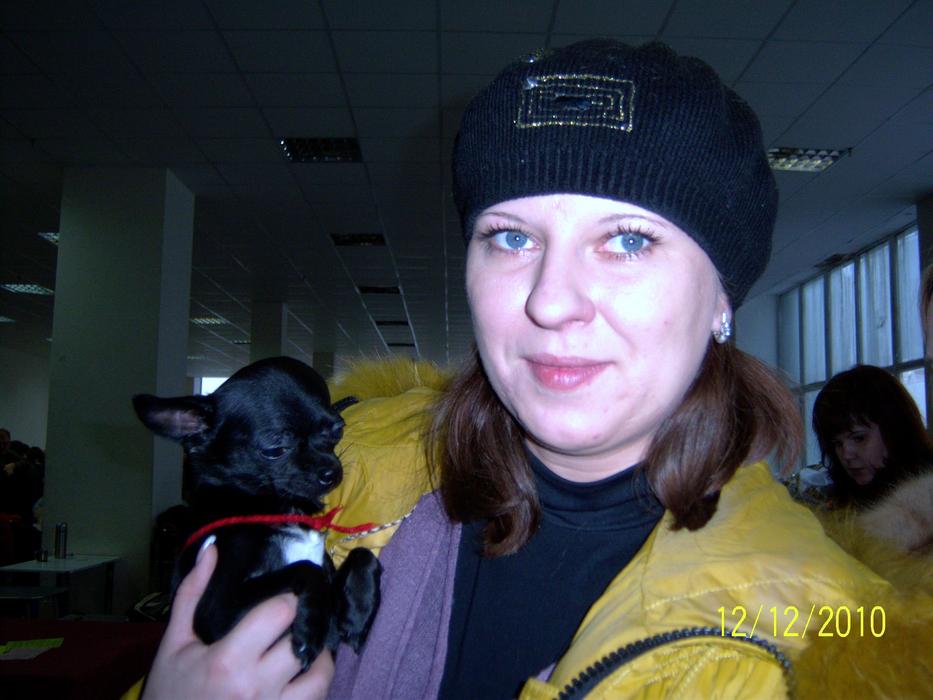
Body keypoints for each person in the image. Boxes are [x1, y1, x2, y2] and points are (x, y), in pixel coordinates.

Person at [136, 41, 930, 699]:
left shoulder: (839, 634)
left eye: (627, 240)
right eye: (511, 238)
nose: (551, 301)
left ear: (723, 295)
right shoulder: (339, 482)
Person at [812, 365, 933, 508]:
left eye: (859, 438)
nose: (846, 455)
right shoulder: (837, 503)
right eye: (837, 443)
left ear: (895, 429)